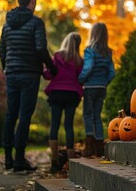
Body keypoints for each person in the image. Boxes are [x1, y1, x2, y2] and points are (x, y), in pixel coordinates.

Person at [0, 0, 57, 172]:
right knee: (24, 116)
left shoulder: (7, 24)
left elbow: (2, 49)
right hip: (30, 74)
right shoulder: (35, 22)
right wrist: (52, 67)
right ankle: (18, 160)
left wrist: (6, 67)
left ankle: (8, 158)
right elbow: (40, 48)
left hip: (12, 73)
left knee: (11, 114)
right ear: (32, 1)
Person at [43, 32, 83, 173]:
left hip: (57, 94)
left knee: (54, 125)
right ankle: (71, 163)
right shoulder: (79, 60)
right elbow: (80, 78)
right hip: (72, 95)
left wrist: (43, 70)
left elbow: (49, 74)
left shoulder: (58, 56)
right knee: (69, 126)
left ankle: (54, 162)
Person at [78, 22, 115, 157]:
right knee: (97, 116)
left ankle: (90, 146)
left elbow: (88, 67)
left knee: (87, 115)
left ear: (93, 34)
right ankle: (99, 146)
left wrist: (80, 79)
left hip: (90, 87)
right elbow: (112, 72)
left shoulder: (89, 50)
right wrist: (105, 83)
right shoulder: (108, 52)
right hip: (101, 87)